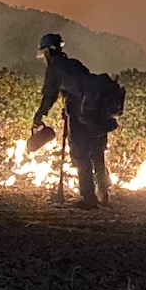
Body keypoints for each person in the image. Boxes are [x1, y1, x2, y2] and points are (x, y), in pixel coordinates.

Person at [30, 30, 112, 206]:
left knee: (80, 153)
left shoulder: (54, 68)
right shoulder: (74, 64)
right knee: (97, 153)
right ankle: (103, 194)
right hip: (97, 112)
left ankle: (88, 198)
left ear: (47, 51)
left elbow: (49, 95)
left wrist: (40, 115)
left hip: (80, 114)